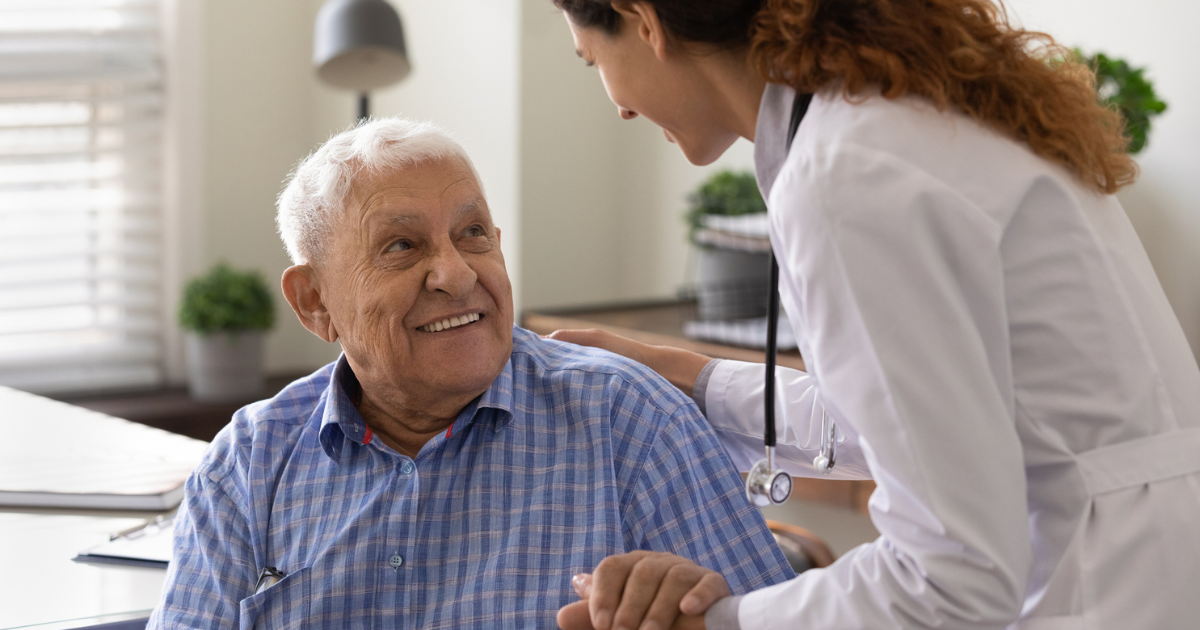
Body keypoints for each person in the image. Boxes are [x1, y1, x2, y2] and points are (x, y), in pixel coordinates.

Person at [548, 1, 1200, 629]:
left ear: (644, 20)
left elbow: (951, 581)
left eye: (591, 60)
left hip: (1112, 590)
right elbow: (927, 417)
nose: (619, 106)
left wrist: (721, 623)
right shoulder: (905, 118)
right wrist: (697, 380)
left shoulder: (844, 174)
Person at [148, 118, 793, 629]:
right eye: (402, 246)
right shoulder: (249, 465)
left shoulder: (629, 422)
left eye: (474, 234)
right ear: (316, 302)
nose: (456, 274)